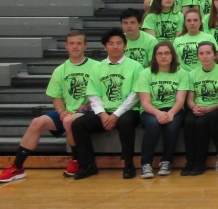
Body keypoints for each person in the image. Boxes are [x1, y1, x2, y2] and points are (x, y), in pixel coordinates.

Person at [1, 30, 96, 183]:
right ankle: (17, 167)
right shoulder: (60, 70)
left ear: (86, 45)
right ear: (66, 46)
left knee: (70, 121)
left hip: (88, 112)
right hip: (68, 111)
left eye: (79, 43)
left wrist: (90, 104)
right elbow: (56, 97)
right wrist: (61, 111)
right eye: (72, 43)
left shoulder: (96, 67)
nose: (75, 47)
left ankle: (77, 161)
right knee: (37, 122)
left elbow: (103, 94)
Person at [70, 29, 143, 180]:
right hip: (105, 110)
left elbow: (135, 95)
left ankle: (129, 164)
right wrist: (103, 114)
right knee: (78, 124)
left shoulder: (135, 66)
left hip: (128, 110)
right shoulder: (97, 68)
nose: (115, 47)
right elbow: (93, 94)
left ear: (125, 46)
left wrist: (116, 115)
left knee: (125, 122)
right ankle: (88, 165)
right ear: (105, 47)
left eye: (118, 43)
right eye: (111, 44)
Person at [135, 40, 190, 179]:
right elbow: (145, 102)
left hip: (174, 109)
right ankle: (146, 164)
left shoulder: (181, 73)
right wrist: (158, 113)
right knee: (153, 123)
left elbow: (180, 100)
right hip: (151, 110)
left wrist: (170, 113)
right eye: (159, 54)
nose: (163, 56)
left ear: (172, 55)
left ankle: (166, 161)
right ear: (154, 56)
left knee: (172, 124)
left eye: (167, 53)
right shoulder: (146, 73)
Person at [182, 41, 218, 176]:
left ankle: (200, 162)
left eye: (208, 53)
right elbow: (190, 99)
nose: (205, 56)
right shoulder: (192, 74)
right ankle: (190, 161)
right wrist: (194, 107)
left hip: (216, 107)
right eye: (201, 53)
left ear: (215, 55)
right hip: (198, 107)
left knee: (202, 123)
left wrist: (209, 109)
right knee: (189, 122)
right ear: (197, 56)